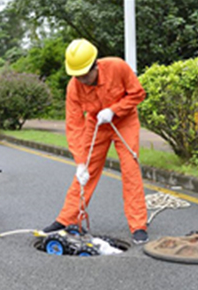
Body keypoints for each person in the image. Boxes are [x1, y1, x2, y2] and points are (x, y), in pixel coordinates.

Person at [43, 39, 148, 244]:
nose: (81, 80)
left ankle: (138, 225)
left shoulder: (117, 67)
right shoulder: (74, 87)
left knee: (129, 170)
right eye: (77, 76)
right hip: (96, 123)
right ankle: (66, 219)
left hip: (124, 121)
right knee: (85, 174)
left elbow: (138, 93)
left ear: (95, 65)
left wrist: (114, 110)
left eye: (85, 75)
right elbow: (74, 125)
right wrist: (80, 162)